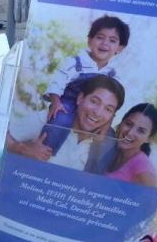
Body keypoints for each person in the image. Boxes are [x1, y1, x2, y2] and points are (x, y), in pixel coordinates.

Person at [41, 15, 130, 153]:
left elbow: (114, 102)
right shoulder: (75, 62)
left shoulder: (112, 74)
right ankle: (46, 150)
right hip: (68, 102)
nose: (105, 43)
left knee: (107, 135)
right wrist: (56, 102)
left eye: (112, 40)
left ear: (120, 48)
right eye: (100, 37)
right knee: (61, 119)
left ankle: (89, 162)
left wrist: (107, 123)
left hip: (92, 109)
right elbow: (58, 81)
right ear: (89, 40)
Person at [7, 74, 126, 171]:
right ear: (80, 98)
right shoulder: (51, 119)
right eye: (94, 102)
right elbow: (1, 133)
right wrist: (22, 149)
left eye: (108, 109)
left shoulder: (104, 146)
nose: (98, 112)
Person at [104, 103, 157, 187]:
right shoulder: (111, 150)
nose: (130, 133)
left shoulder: (144, 170)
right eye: (128, 124)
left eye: (141, 131)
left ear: (149, 139)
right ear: (121, 122)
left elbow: (155, 195)